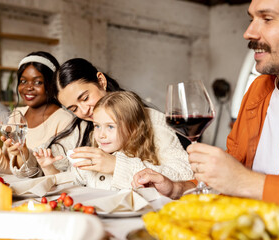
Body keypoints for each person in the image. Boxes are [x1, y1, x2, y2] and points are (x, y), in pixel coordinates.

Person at [132, 0, 279, 214]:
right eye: (251, 19)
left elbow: (237, 179)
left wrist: (243, 181)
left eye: (267, 19)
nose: (248, 32)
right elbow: (227, 176)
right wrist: (178, 188)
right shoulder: (258, 89)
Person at [34, 58, 193, 186]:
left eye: (85, 98)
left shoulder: (150, 119)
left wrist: (116, 165)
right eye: (74, 108)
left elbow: (185, 173)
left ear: (101, 81)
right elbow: (69, 174)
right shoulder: (87, 126)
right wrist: (44, 165)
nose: (83, 111)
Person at [0, 51, 74, 176]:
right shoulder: (17, 114)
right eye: (23, 81)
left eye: (38, 82)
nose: (28, 87)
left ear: (52, 84)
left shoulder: (64, 120)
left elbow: (60, 174)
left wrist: (25, 154)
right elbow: (9, 170)